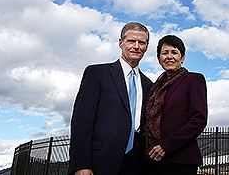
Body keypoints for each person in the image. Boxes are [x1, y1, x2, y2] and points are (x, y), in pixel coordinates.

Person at [68, 22, 153, 175]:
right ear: (121, 43)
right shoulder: (97, 73)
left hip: (136, 163)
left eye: (141, 42)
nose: (136, 46)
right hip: (99, 160)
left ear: (146, 47)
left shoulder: (149, 85)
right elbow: (82, 121)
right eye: (131, 41)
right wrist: (81, 164)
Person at [144, 35, 208, 175]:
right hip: (152, 159)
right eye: (165, 53)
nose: (169, 57)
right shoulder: (155, 87)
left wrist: (167, 145)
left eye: (174, 52)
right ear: (159, 58)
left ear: (183, 57)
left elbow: (198, 120)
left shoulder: (194, 80)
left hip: (180, 160)